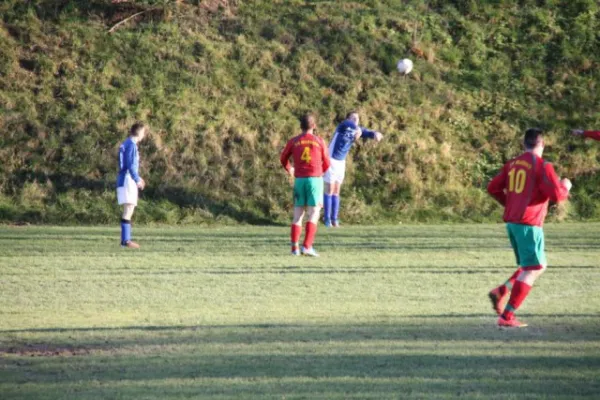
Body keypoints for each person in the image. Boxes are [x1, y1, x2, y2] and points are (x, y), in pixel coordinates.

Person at [487, 128, 571, 328]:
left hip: (514, 223)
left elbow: (492, 188)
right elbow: (557, 196)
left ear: (524, 144)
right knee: (535, 268)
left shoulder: (512, 164)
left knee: (531, 266)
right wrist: (565, 187)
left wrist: (509, 203)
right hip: (529, 224)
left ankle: (501, 291)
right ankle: (506, 316)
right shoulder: (542, 165)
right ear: (542, 144)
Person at [280, 113, 330, 256]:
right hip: (314, 179)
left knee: (298, 215)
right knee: (314, 213)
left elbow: (283, 158)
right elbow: (327, 162)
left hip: (299, 180)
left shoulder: (293, 141)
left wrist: (290, 169)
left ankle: (294, 248)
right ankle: (307, 246)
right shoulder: (319, 141)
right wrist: (320, 173)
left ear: (300, 126)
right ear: (314, 126)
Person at [323, 111, 383, 227]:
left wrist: (375, 133)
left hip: (341, 163)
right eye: (353, 117)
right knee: (329, 190)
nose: (356, 120)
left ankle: (335, 220)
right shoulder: (343, 126)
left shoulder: (358, 130)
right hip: (331, 160)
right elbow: (350, 125)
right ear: (348, 118)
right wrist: (357, 129)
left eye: (358, 118)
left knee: (336, 191)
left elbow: (367, 132)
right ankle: (327, 220)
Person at [117, 122, 147, 249]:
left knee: (128, 209)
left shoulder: (126, 143)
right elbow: (130, 165)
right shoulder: (132, 145)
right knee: (129, 208)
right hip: (127, 179)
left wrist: (138, 177)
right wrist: (137, 179)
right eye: (144, 132)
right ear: (139, 133)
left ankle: (126, 241)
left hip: (125, 178)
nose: (144, 135)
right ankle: (126, 241)